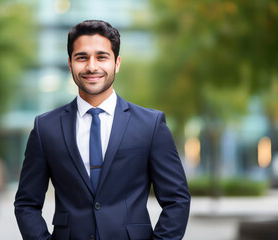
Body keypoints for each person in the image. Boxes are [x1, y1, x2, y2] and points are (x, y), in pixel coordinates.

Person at [14, 20, 190, 240]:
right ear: (70, 64)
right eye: (82, 57)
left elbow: (177, 200)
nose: (92, 66)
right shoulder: (45, 128)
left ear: (117, 63)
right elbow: (26, 203)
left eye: (101, 56)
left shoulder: (151, 125)